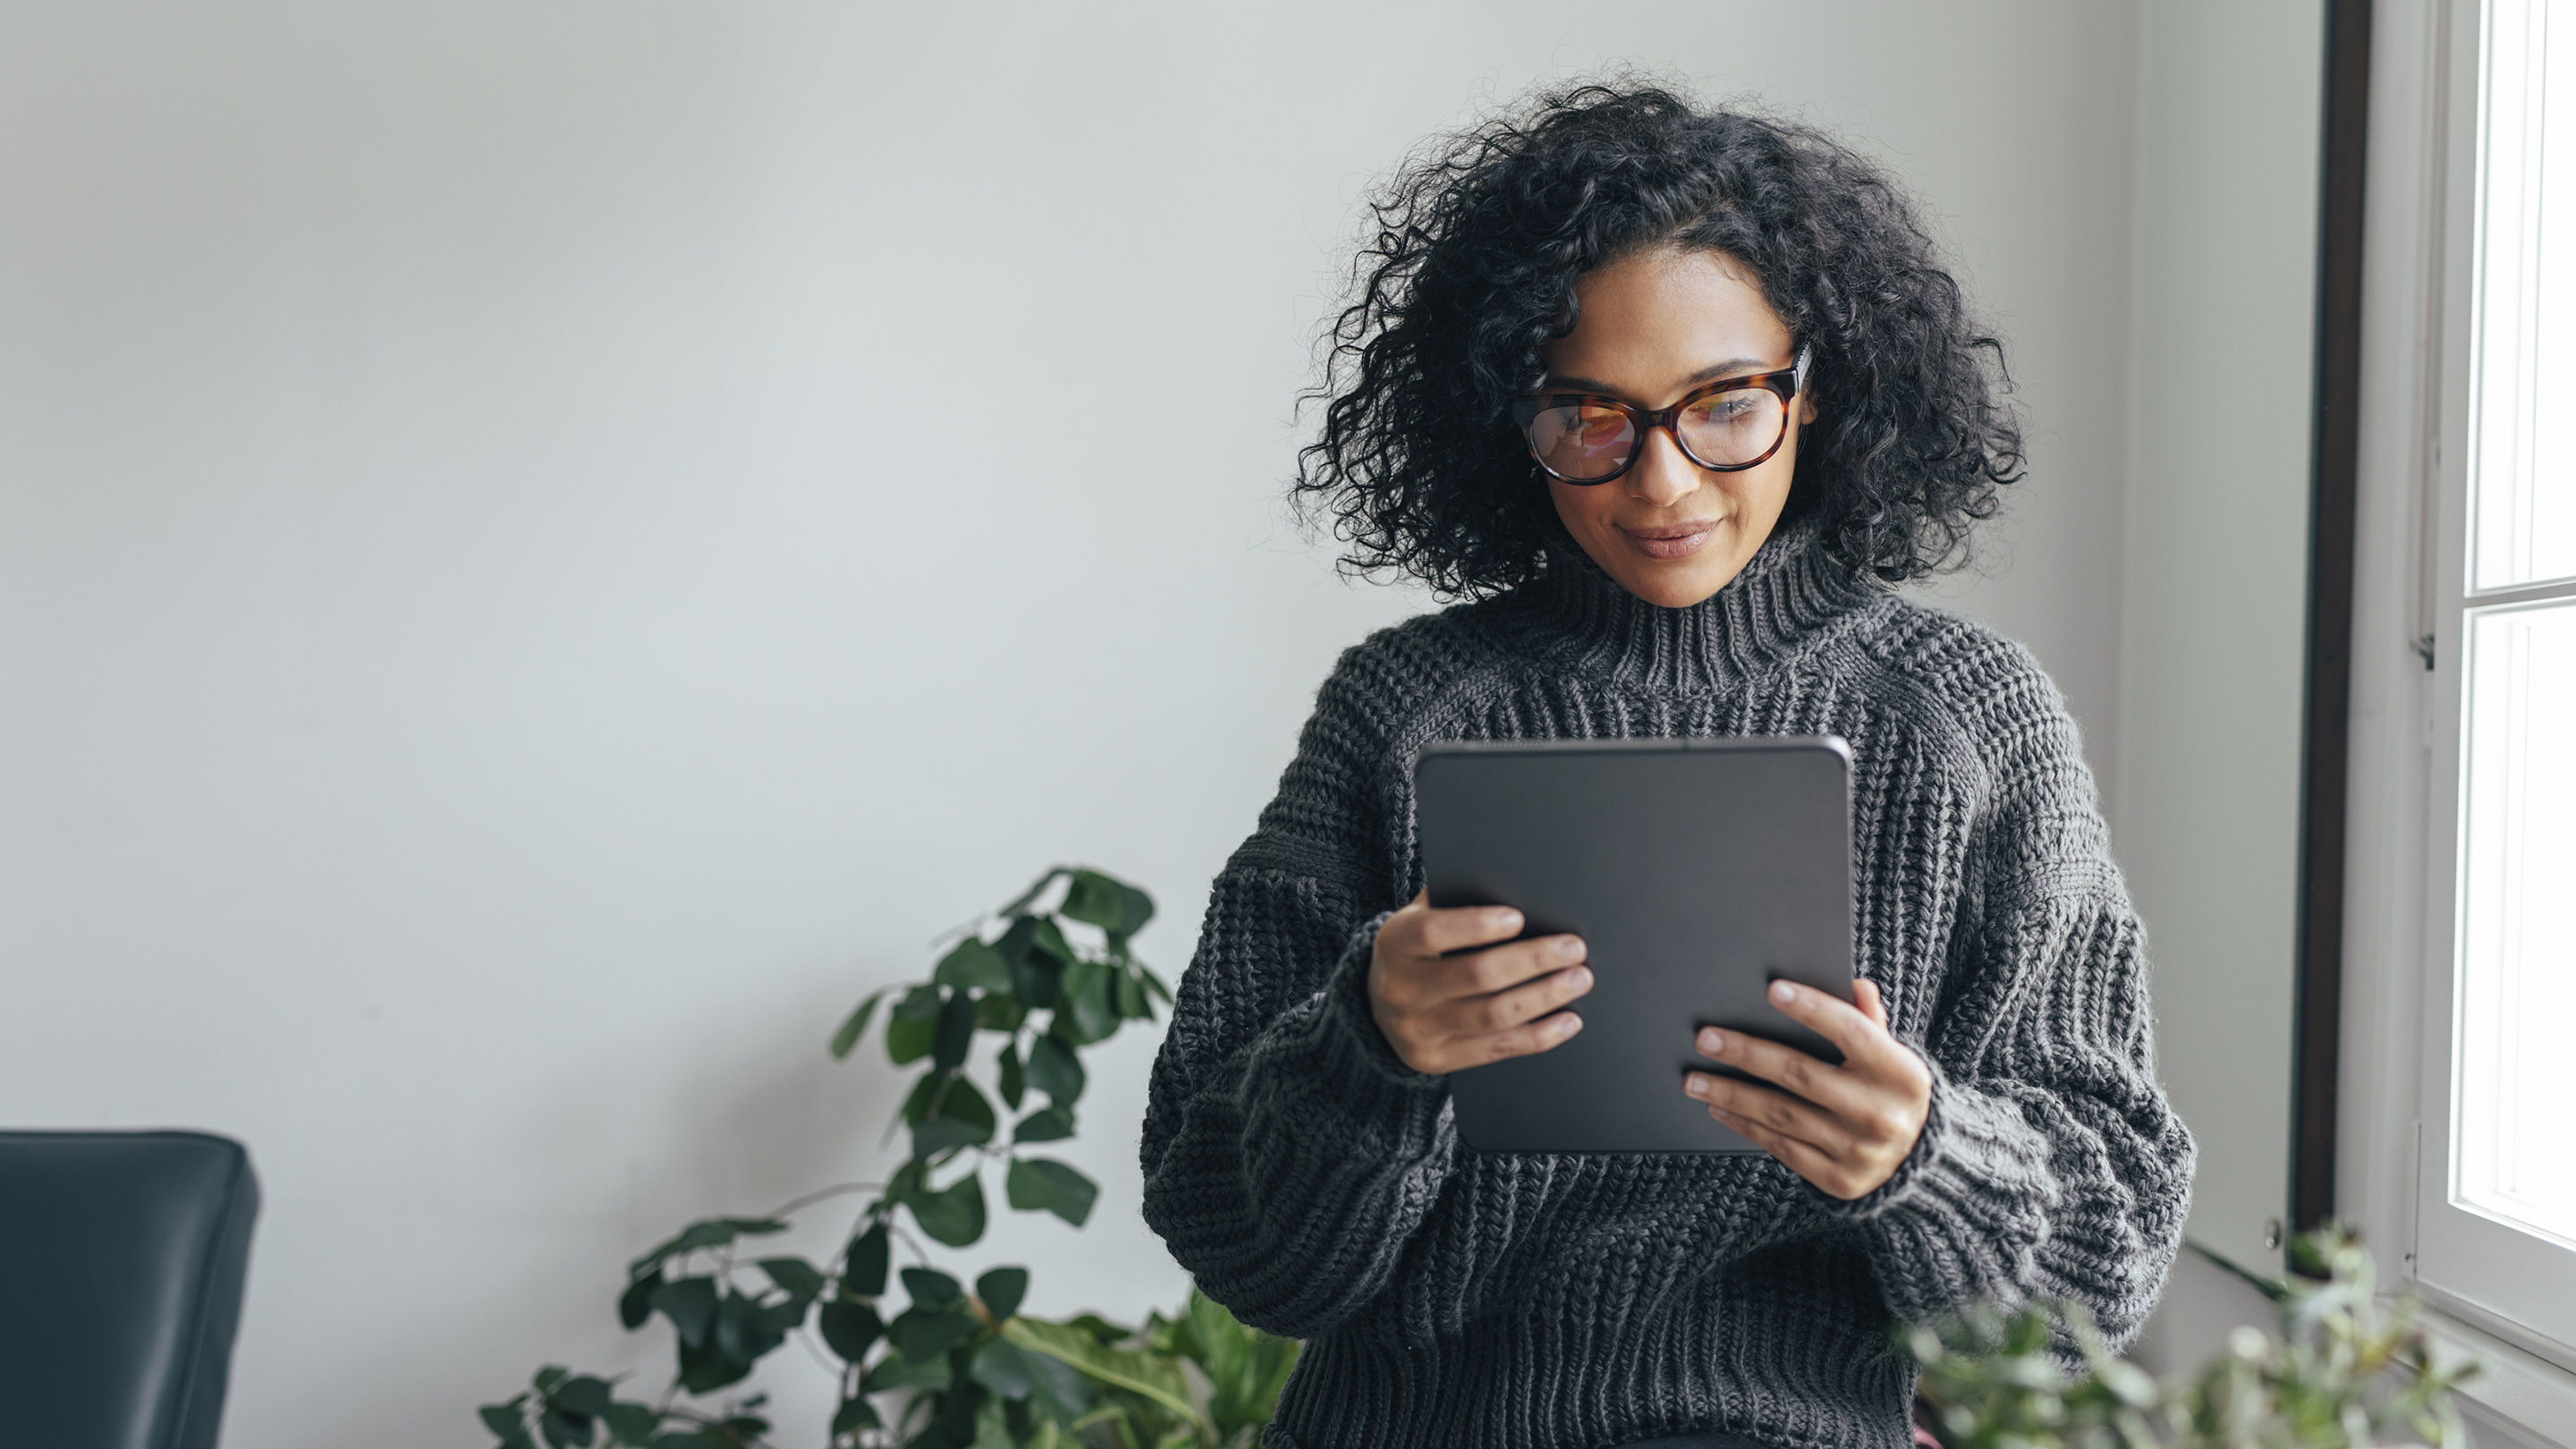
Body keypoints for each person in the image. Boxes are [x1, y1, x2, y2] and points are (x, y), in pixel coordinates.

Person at [1138, 82, 2194, 1449]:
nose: (1664, 485)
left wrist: (1924, 1161)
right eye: (1590, 417)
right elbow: (1231, 1236)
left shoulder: (1972, 724)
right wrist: (1370, 1051)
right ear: (1504, 415)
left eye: (1723, 405)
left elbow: (2091, 1291)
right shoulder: (1400, 710)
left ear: (1817, 391)